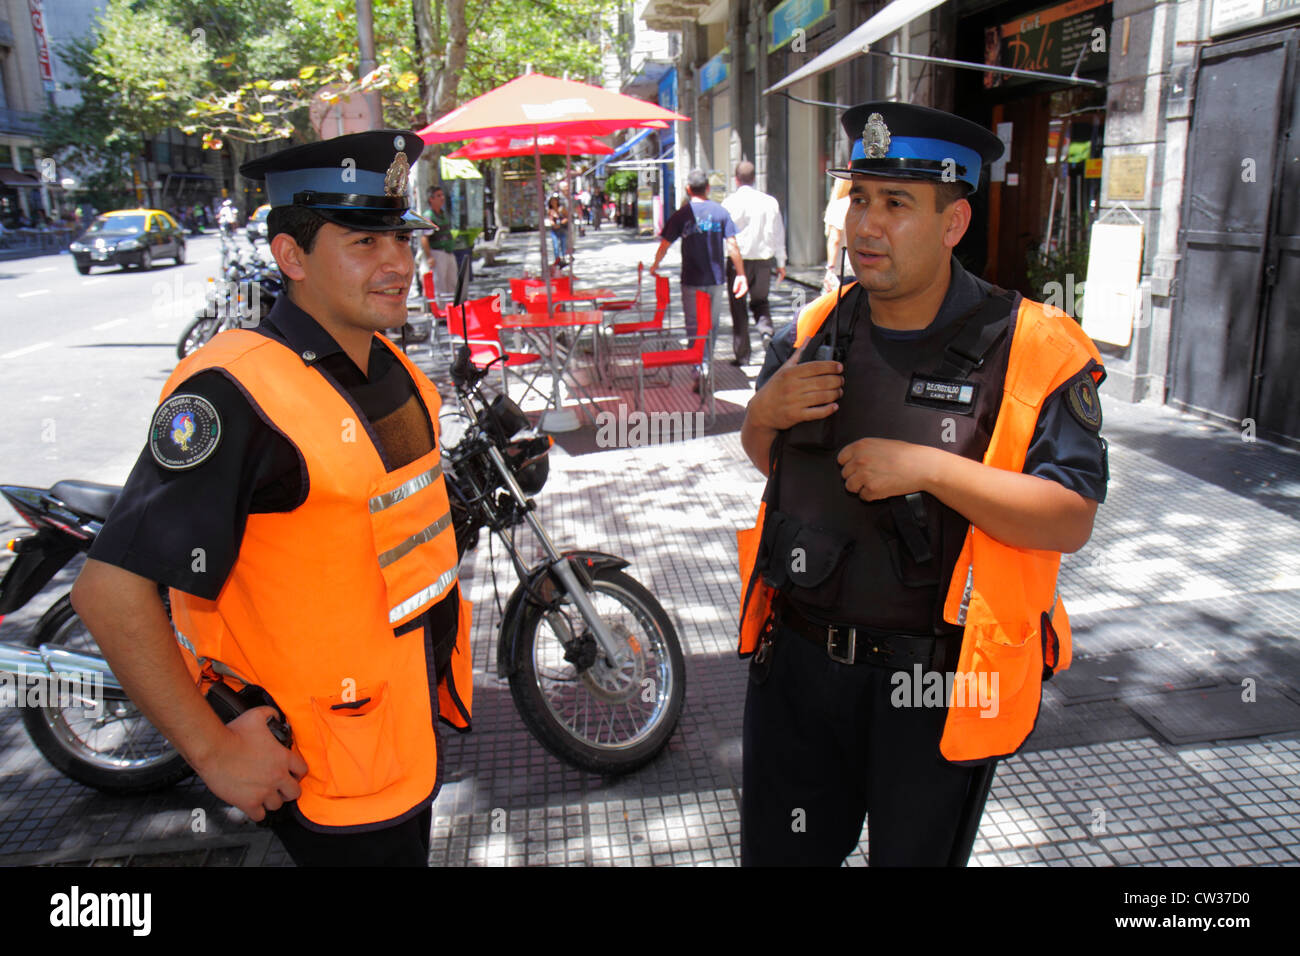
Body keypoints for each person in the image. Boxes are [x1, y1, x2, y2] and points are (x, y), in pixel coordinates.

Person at [71, 129, 473, 867]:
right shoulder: (234, 392)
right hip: (316, 776)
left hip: (401, 740)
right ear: (292, 257)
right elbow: (108, 592)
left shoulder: (388, 364)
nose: (398, 264)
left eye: (403, 241)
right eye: (364, 243)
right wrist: (213, 750)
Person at [736, 102, 1108, 866]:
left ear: (953, 223)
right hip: (799, 671)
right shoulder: (809, 329)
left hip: (938, 684)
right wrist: (760, 415)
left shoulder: (1032, 345)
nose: (865, 225)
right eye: (860, 198)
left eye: (896, 204)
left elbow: (1070, 517)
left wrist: (931, 470)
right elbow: (781, 466)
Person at [648, 169, 749, 388]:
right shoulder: (720, 212)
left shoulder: (681, 214)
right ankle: (706, 365)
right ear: (708, 189)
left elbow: (665, 244)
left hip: (691, 279)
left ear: (688, 189)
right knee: (710, 325)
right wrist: (740, 274)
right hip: (716, 279)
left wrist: (655, 265)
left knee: (694, 325)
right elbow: (732, 245)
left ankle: (699, 368)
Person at [721, 161, 787, 366]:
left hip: (737, 262)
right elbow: (778, 232)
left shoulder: (729, 203)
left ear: (736, 179)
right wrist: (781, 261)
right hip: (764, 261)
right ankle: (766, 332)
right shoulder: (770, 202)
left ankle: (742, 355)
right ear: (755, 178)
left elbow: (725, 237)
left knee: (738, 307)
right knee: (761, 302)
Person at [420, 185, 456, 307]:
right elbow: (424, 237)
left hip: (449, 252)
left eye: (442, 195)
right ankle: (442, 310)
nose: (442, 198)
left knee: (452, 282)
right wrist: (429, 256)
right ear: (431, 199)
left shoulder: (443, 214)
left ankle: (453, 309)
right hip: (437, 253)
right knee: (440, 283)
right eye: (438, 196)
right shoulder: (429, 215)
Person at [822, 177, 852, 293]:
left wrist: (830, 268)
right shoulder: (860, 204)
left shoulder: (839, 206)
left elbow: (834, 239)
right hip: (859, 268)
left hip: (841, 270)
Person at [545, 194, 570, 271]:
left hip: (562, 229)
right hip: (554, 230)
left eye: (554, 200)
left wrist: (561, 223)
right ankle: (557, 260)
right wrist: (553, 224)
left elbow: (568, 217)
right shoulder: (550, 211)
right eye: (552, 201)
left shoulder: (561, 209)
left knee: (563, 245)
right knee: (555, 246)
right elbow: (550, 219)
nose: (553, 202)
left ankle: (563, 259)